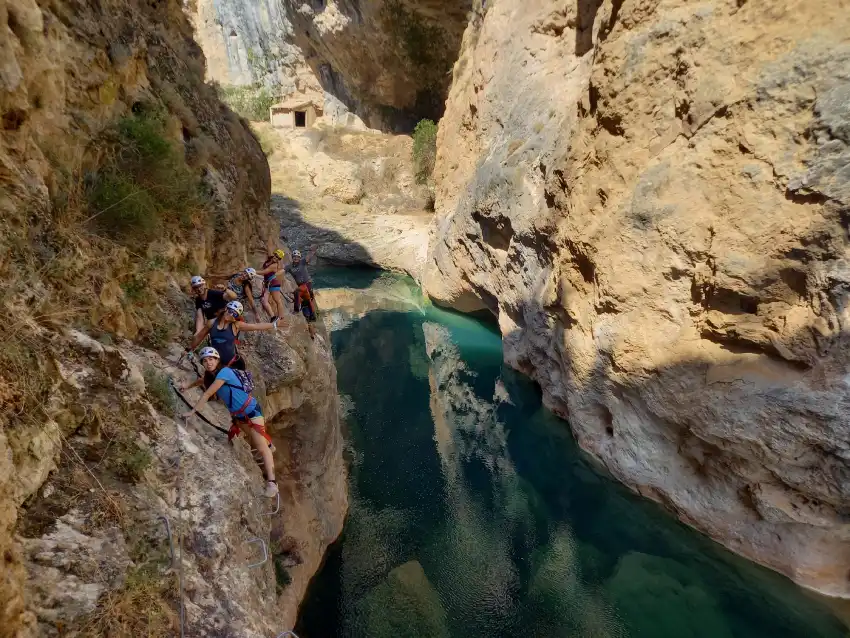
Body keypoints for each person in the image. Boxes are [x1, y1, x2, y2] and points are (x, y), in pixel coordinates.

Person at [182, 346, 278, 497]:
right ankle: (270, 446)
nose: (208, 363)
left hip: (251, 412)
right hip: (240, 417)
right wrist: (187, 387)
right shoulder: (212, 376)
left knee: (261, 448)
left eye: (211, 359)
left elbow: (207, 393)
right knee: (255, 439)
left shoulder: (225, 372)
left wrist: (192, 412)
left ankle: (272, 483)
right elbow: (202, 381)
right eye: (205, 361)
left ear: (217, 360)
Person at [188, 300, 280, 370]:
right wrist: (190, 349)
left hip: (233, 363)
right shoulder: (212, 323)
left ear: (236, 316)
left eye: (234, 314)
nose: (231, 314)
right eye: (230, 311)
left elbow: (255, 326)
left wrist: (274, 324)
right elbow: (200, 336)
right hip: (216, 363)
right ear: (226, 309)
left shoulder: (236, 325)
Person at [284, 245, 319, 314]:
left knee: (298, 293)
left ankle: (297, 310)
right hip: (300, 285)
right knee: (302, 298)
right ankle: (303, 311)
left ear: (299, 258)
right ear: (292, 257)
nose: (296, 258)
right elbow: (283, 270)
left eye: (297, 257)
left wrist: (312, 251)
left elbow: (308, 257)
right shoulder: (289, 266)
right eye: (294, 257)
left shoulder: (302, 262)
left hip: (307, 283)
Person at [257, 249, 286, 322]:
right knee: (264, 301)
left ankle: (281, 317)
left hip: (273, 283)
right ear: (274, 254)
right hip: (267, 283)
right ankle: (273, 317)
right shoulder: (269, 259)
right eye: (276, 255)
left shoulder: (274, 265)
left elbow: (264, 272)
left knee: (278, 301)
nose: (276, 258)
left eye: (278, 258)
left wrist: (253, 271)